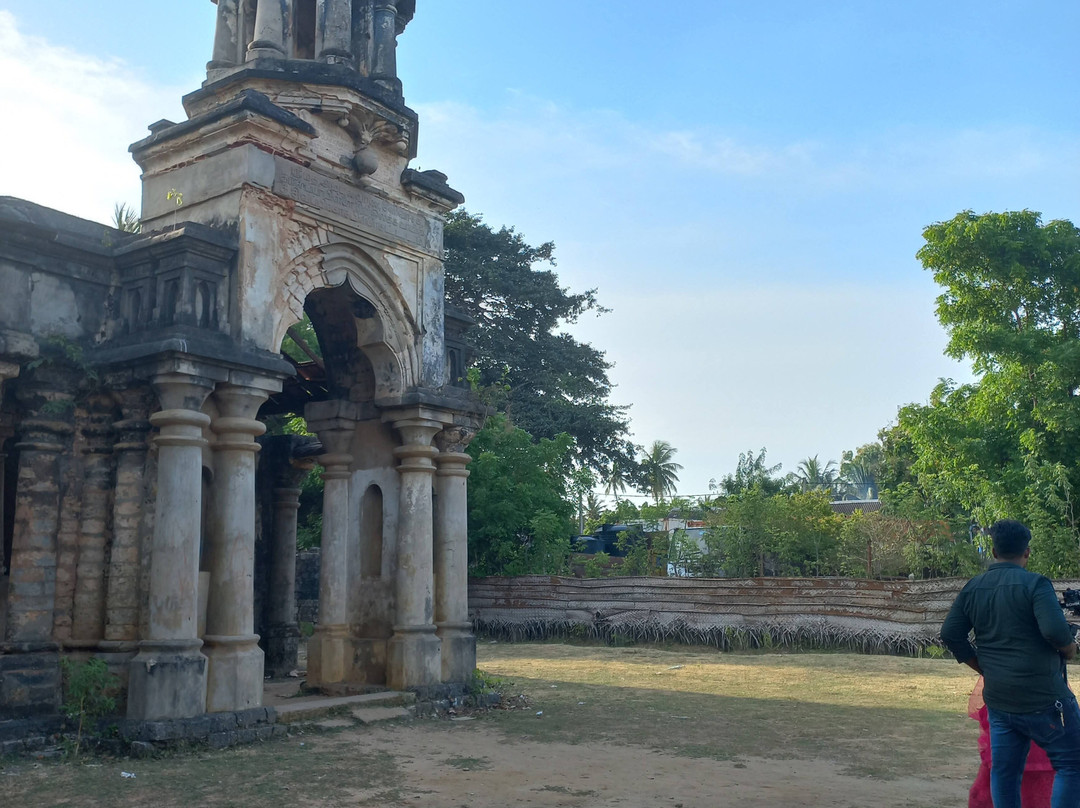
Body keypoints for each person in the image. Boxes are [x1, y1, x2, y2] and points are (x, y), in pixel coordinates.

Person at [942, 519, 1080, 808]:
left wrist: (983, 667)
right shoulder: (1036, 584)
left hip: (1000, 701)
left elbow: (950, 634)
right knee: (1072, 764)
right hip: (1045, 698)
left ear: (993, 551)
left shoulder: (975, 586)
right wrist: (1069, 648)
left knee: (1005, 774)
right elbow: (1055, 631)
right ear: (1026, 552)